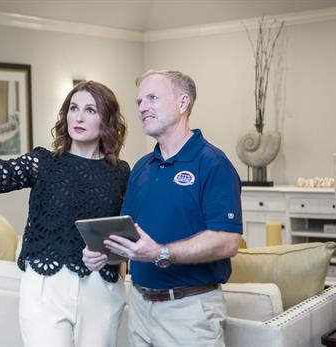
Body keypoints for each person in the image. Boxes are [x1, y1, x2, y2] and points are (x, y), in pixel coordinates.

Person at [0, 80, 130, 347]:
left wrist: (112, 257)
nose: (78, 117)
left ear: (107, 119)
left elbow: (125, 234)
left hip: (101, 287)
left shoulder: (120, 172)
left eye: (90, 110)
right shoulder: (44, 162)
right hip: (46, 286)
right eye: (73, 108)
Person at [83, 70, 242, 347]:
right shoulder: (142, 167)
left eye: (152, 98)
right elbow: (130, 235)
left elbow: (228, 241)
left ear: (183, 104)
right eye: (139, 102)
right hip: (140, 307)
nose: (143, 107)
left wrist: (161, 253)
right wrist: (103, 254)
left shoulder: (213, 163)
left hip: (190, 311)